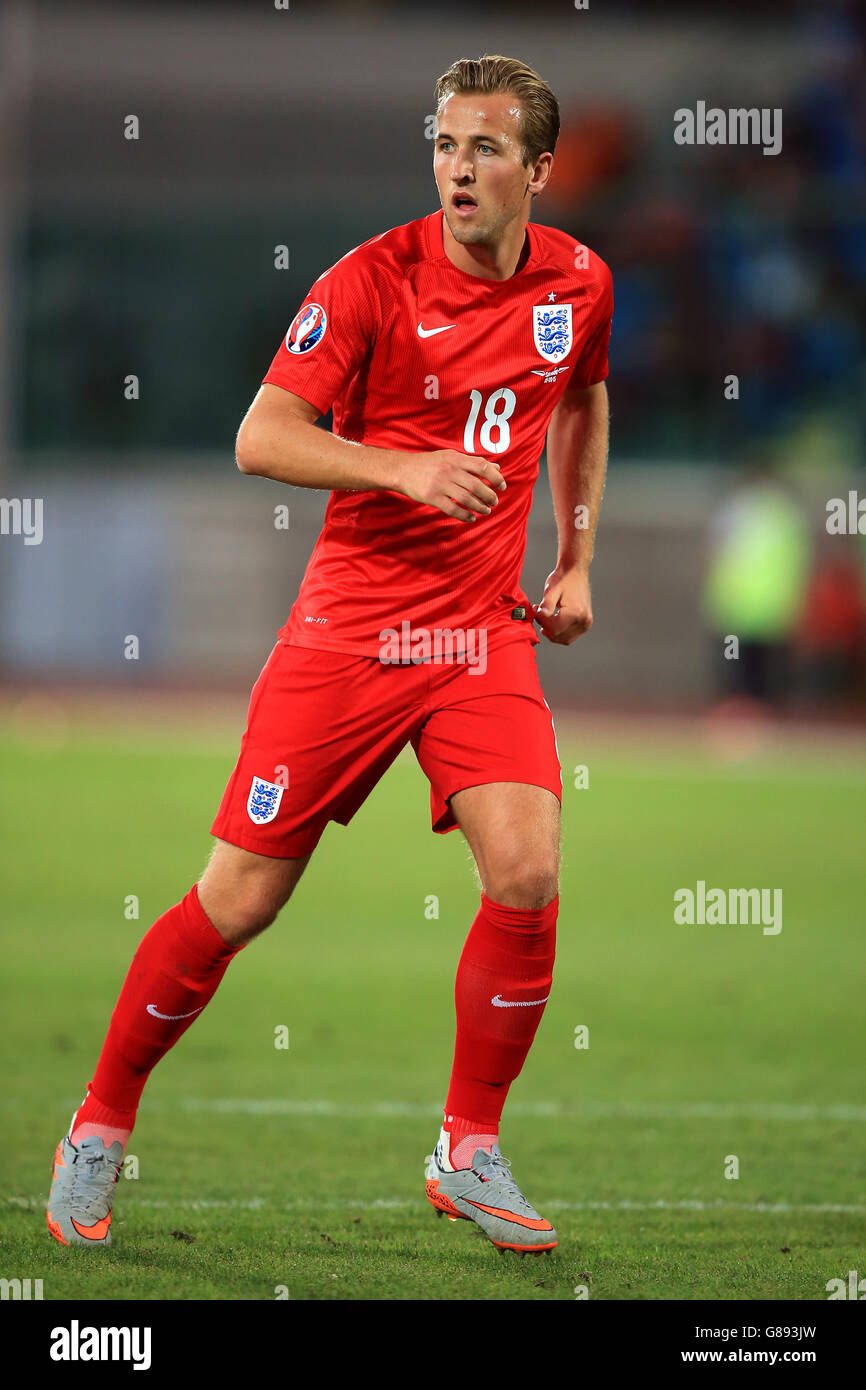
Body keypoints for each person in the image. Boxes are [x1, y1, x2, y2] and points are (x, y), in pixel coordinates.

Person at [47, 54, 612, 1258]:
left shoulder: (578, 281)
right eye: (444, 144)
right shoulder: (367, 280)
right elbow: (261, 437)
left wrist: (572, 558)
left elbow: (580, 398)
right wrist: (402, 467)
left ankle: (467, 1149)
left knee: (525, 866)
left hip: (474, 638)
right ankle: (98, 1121)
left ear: (539, 171)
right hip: (349, 632)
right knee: (238, 898)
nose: (457, 169)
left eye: (486, 149)